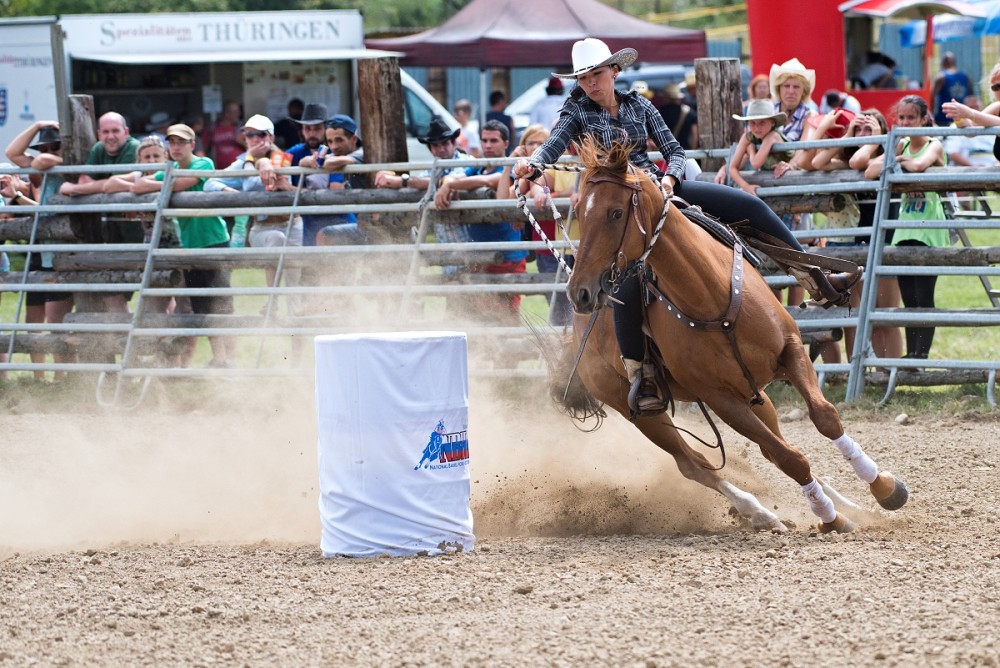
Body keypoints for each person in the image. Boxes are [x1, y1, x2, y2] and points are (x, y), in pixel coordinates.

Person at [513, 38, 861, 414]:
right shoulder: (575, 111)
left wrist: (670, 180)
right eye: (583, 78)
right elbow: (553, 143)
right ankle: (640, 370)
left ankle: (812, 275)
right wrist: (533, 165)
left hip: (656, 191)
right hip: (618, 210)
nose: (590, 84)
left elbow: (675, 151)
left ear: (613, 71)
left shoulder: (639, 105)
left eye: (596, 74)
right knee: (627, 276)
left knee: (749, 206)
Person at [132, 124, 236, 369]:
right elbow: (138, 186)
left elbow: (181, 184)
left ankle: (230, 359)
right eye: (172, 142)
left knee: (222, 303)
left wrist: (164, 184)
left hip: (214, 241)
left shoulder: (203, 163)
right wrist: (166, 183)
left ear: (192, 145)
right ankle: (219, 359)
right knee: (202, 305)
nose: (176, 147)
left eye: (181, 142)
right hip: (190, 245)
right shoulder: (172, 169)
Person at [811, 109, 903, 364]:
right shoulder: (856, 158)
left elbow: (857, 163)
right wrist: (850, 135)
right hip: (863, 243)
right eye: (859, 129)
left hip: (886, 241)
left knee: (885, 313)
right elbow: (818, 163)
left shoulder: (889, 153)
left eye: (868, 128)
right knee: (868, 316)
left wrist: (875, 138)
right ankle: (877, 372)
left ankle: (890, 371)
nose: (863, 134)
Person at [864, 95, 949, 361]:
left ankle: (920, 355)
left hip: (928, 230)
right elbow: (870, 170)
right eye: (900, 118)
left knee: (924, 296)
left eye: (910, 118)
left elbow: (920, 165)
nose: (904, 122)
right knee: (909, 298)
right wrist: (895, 157)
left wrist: (896, 161)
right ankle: (912, 356)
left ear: (923, 119)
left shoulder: (933, 144)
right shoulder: (899, 143)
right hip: (904, 230)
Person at [204, 114, 301, 320]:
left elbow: (253, 186)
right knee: (277, 241)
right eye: (249, 134)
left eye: (260, 134)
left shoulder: (280, 158)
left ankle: (290, 322)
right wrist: (230, 191)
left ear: (271, 138)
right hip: (263, 228)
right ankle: (272, 302)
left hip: (292, 224)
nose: (254, 139)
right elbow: (209, 184)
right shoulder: (242, 162)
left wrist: (258, 161)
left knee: (295, 284)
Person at [434, 119, 527, 324]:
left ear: (506, 143)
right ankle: (491, 353)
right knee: (483, 313)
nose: (487, 145)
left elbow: (488, 182)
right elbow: (457, 176)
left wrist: (450, 186)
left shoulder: (511, 167)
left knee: (506, 313)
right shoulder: (477, 168)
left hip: (507, 254)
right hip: (481, 254)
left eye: (493, 140)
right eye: (484, 140)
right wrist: (448, 183)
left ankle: (511, 352)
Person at [4, 121, 75, 380]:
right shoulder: (44, 170)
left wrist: (48, 157)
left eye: (55, 145)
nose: (49, 151)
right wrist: (37, 125)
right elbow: (12, 153)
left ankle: (65, 377)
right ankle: (50, 378)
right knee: (46, 319)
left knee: (61, 322)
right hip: (47, 251)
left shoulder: (68, 166)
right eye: (45, 146)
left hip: (64, 253)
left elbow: (42, 160)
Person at [58, 111, 143, 313]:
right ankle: (124, 341)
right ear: (98, 134)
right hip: (113, 231)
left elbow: (112, 184)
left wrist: (74, 189)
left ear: (126, 132)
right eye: (105, 132)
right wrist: (94, 186)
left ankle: (165, 340)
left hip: (141, 230)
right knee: (112, 291)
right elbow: (86, 180)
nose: (110, 136)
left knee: (156, 286)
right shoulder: (99, 149)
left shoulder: (134, 148)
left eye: (115, 131)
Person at [496, 124, 579, 327]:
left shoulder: (560, 164)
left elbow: (542, 187)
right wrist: (511, 164)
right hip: (548, 246)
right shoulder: (538, 172)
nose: (535, 147)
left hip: (567, 241)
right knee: (557, 304)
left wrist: (549, 195)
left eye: (541, 143)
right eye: (530, 143)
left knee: (574, 305)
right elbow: (505, 200)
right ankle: (562, 347)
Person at [297, 114, 368, 247]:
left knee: (326, 234)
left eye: (339, 140)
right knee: (325, 234)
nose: (334, 146)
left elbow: (332, 163)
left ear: (353, 139)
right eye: (329, 141)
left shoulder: (363, 153)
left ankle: (327, 268)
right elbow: (302, 161)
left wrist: (319, 160)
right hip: (365, 222)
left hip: (378, 224)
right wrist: (312, 160)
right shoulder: (340, 154)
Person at [726, 100, 791, 196]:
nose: (757, 128)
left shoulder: (772, 136)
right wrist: (746, 187)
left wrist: (750, 150)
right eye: (752, 123)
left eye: (762, 123)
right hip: (772, 180)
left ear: (772, 123)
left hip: (789, 179)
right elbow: (732, 168)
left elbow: (756, 163)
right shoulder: (748, 136)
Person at [942, 95, 998, 167]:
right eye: (995, 87)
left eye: (976, 107)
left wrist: (972, 113)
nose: (998, 91)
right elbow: (970, 128)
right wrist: (959, 118)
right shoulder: (996, 107)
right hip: (972, 169)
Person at [932, 51, 974, 127]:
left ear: (943, 63)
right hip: (962, 118)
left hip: (944, 119)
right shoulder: (965, 77)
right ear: (955, 62)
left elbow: (932, 97)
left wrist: (931, 114)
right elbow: (971, 97)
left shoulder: (941, 77)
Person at [202, 100, 245, 171]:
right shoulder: (213, 128)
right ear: (226, 114)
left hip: (239, 170)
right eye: (235, 112)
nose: (238, 114)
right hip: (218, 171)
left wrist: (241, 142)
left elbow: (252, 150)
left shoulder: (242, 128)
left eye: (238, 111)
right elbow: (203, 149)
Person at [656, 83, 697, 150]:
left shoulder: (659, 112)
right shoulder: (688, 112)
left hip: (666, 153)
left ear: (665, 97)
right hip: (685, 151)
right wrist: (692, 150)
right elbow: (694, 134)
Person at [485, 90, 516, 155]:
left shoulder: (483, 118)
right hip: (505, 155)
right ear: (501, 101)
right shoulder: (509, 119)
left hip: (487, 156)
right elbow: (513, 138)